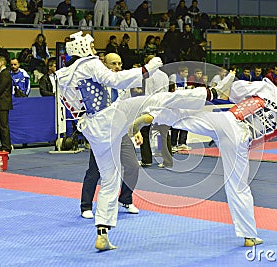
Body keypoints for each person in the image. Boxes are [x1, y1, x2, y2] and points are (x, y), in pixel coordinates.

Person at [55, 31, 219, 251]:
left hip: (92, 128)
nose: (96, 50)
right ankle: (204, 94)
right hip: (108, 118)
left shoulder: (64, 74)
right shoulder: (89, 64)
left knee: (110, 179)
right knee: (155, 99)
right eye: (92, 46)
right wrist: (146, 70)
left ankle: (102, 231)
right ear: (83, 48)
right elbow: (113, 80)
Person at [134, 73, 277, 247]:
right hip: (240, 141)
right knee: (238, 186)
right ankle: (249, 235)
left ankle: (155, 115)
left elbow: (235, 89)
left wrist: (245, 97)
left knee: (188, 117)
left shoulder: (268, 89)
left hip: (227, 120)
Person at [80, 53, 140, 219]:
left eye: (120, 63)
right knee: (95, 170)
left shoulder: (123, 86)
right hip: (102, 134)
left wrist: (136, 129)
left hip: (121, 131)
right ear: (104, 65)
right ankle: (86, 205)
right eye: (113, 63)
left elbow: (128, 109)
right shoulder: (96, 84)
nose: (118, 66)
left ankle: (125, 199)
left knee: (133, 167)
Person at [138, 55, 173, 168]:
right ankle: (168, 161)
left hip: (151, 106)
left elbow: (148, 93)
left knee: (145, 132)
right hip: (163, 106)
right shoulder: (164, 75)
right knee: (164, 134)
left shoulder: (149, 75)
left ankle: (147, 159)